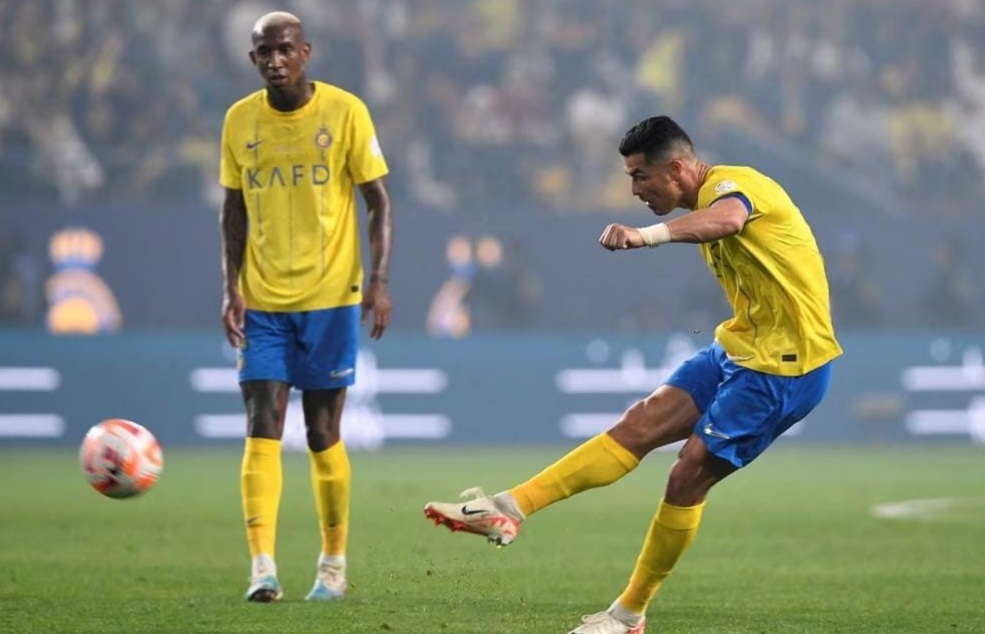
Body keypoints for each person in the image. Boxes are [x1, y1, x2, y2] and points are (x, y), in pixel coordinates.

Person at [423, 115, 842, 634]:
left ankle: (628, 616)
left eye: (641, 176)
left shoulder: (737, 186)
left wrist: (646, 236)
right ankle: (508, 508)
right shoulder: (706, 197)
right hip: (739, 347)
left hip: (786, 368)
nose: (635, 190)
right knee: (639, 423)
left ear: (677, 169)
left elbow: (730, 219)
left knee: (687, 475)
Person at [219, 11, 393, 603]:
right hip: (263, 300)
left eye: (285, 49)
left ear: (305, 52)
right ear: (253, 59)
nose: (275, 61)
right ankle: (262, 567)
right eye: (265, 52)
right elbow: (233, 210)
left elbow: (379, 202)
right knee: (262, 425)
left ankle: (332, 565)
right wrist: (230, 287)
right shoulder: (239, 121)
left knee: (321, 433)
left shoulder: (345, 112)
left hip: (331, 298)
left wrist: (379, 281)